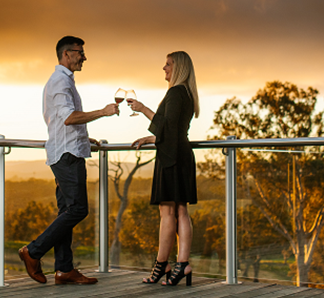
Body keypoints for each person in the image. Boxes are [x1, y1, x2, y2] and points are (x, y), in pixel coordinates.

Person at [18, 36, 119, 285]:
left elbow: (65, 120)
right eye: (80, 52)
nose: (84, 56)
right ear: (66, 54)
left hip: (68, 150)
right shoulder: (60, 81)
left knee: (66, 211)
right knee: (78, 210)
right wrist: (103, 112)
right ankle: (33, 251)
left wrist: (85, 137)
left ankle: (64, 270)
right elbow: (68, 118)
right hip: (67, 156)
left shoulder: (63, 81)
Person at [130, 51, 200, 286]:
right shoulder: (186, 93)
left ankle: (163, 265)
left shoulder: (175, 92)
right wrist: (151, 139)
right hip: (180, 154)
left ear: (179, 67)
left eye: (168, 64)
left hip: (171, 158)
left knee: (168, 212)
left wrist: (142, 108)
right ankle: (181, 265)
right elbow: (174, 130)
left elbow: (167, 126)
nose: (164, 68)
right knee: (180, 211)